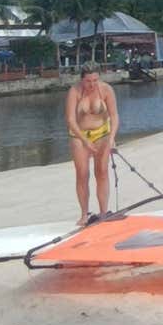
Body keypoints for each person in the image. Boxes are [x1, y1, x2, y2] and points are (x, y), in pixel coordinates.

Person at [65, 61, 120, 225]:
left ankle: (103, 211)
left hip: (102, 132)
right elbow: (70, 120)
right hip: (79, 134)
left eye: (95, 80)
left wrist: (112, 138)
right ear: (82, 79)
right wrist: (84, 140)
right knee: (82, 174)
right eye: (88, 81)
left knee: (101, 171)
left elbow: (114, 116)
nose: (92, 84)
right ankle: (84, 214)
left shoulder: (106, 90)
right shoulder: (74, 91)